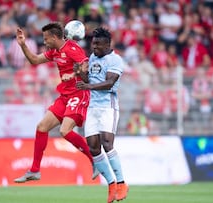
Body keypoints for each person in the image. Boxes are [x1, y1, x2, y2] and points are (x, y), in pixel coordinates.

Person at [13, 22, 94, 183]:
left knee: (65, 131)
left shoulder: (72, 48)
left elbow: (86, 65)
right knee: (42, 127)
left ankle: (95, 159)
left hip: (79, 93)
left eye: (46, 38)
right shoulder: (55, 52)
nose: (44, 42)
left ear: (55, 37)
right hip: (65, 96)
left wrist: (72, 74)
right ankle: (35, 170)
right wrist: (23, 45)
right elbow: (35, 60)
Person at [76, 27, 128, 203]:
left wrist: (88, 86)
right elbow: (89, 81)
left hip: (108, 106)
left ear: (108, 44)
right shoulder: (92, 58)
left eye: (98, 44)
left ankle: (121, 183)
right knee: (93, 147)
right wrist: (81, 73)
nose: (94, 47)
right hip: (92, 107)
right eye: (93, 43)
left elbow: (109, 82)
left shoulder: (115, 60)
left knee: (107, 142)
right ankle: (111, 184)